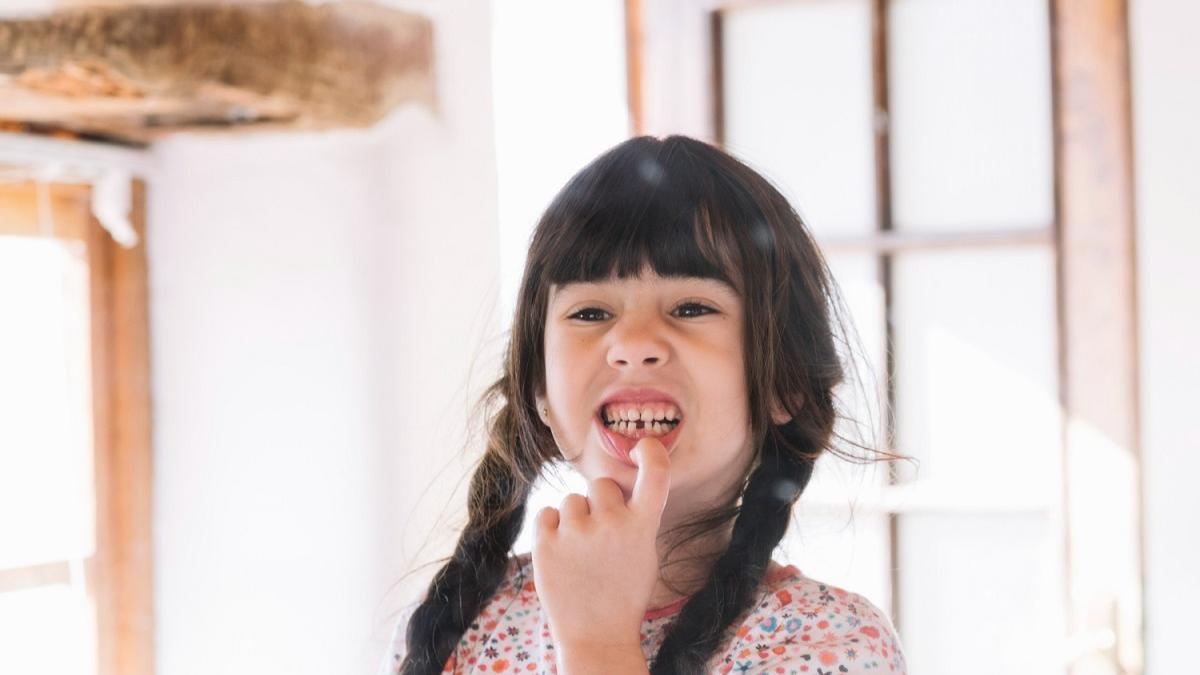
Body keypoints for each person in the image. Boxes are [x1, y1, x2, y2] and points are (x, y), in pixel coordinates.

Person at [379, 135, 907, 674]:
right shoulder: (455, 626)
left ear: (784, 384)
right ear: (539, 392)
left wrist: (599, 646)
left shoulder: (831, 642)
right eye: (589, 313)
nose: (632, 345)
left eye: (691, 307)